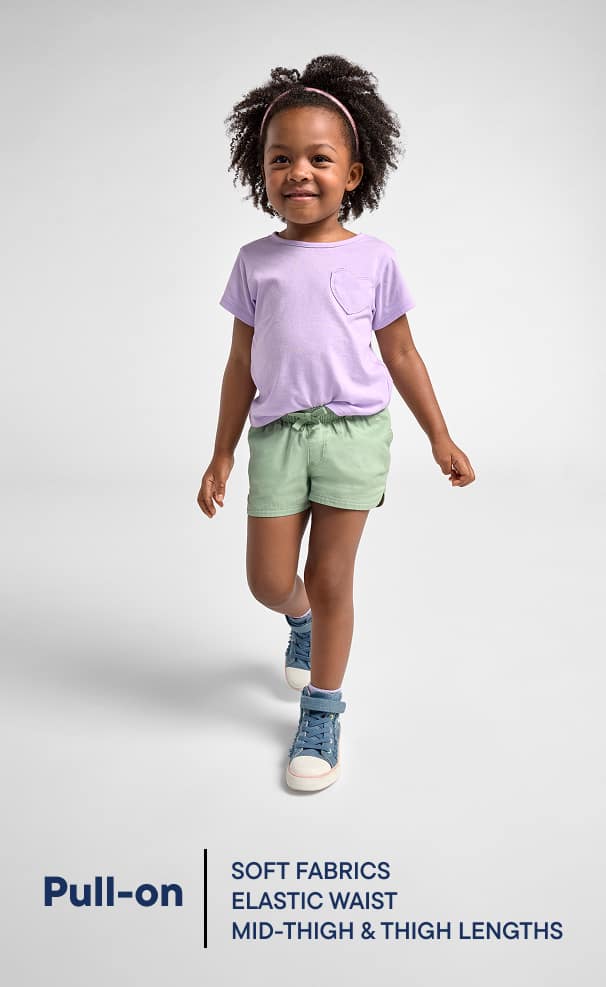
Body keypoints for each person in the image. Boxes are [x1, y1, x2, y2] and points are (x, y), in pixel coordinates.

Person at [197, 54, 476, 793]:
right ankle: (300, 623)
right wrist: (221, 453)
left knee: (329, 576)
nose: (299, 172)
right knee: (268, 580)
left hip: (354, 436)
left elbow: (404, 354)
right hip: (278, 437)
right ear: (260, 171)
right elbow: (239, 365)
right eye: (280, 158)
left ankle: (322, 708)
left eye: (319, 158)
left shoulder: (375, 260)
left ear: (353, 174)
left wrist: (439, 435)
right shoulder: (254, 263)